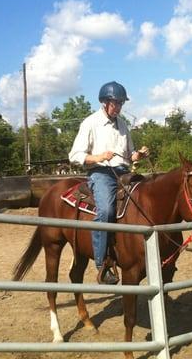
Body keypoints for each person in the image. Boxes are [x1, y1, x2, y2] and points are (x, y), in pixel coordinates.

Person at [69, 81, 149, 285]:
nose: (119, 107)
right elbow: (75, 155)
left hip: (123, 172)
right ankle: (102, 263)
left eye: (121, 103)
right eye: (115, 103)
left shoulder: (122, 124)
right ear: (104, 102)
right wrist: (98, 157)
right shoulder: (90, 123)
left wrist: (137, 154)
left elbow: (129, 154)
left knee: (146, 200)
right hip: (101, 173)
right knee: (105, 211)